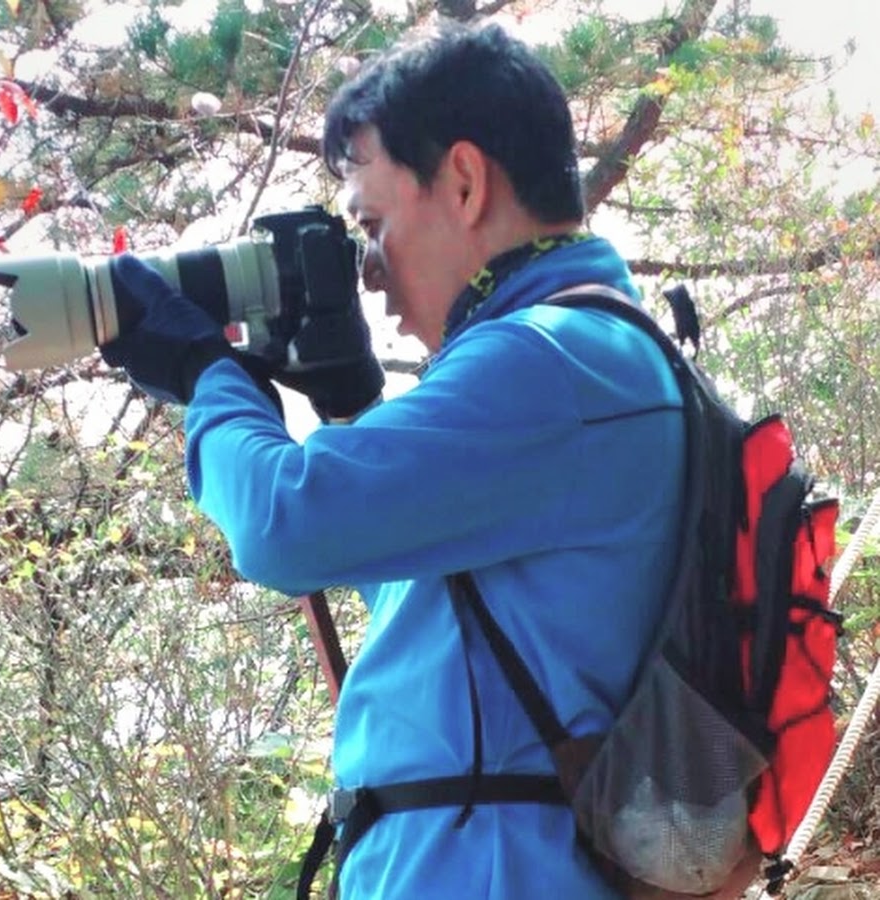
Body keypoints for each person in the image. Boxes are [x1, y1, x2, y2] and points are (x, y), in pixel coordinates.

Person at [102, 21, 685, 900]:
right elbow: (444, 608)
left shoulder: (549, 360)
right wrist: (350, 409)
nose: (368, 271)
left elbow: (283, 525)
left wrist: (206, 377)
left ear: (464, 182)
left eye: (372, 225)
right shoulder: (594, 356)